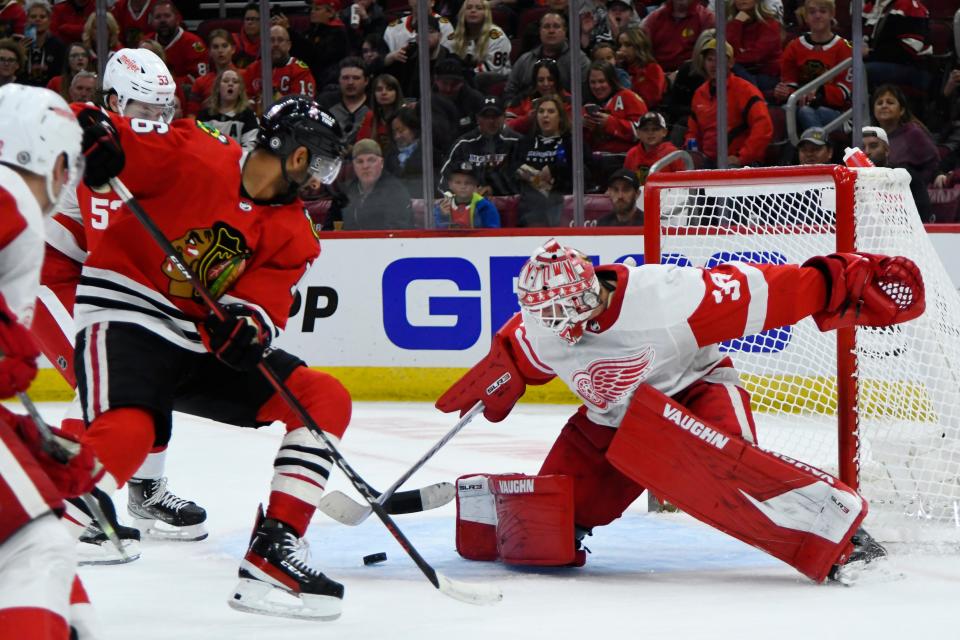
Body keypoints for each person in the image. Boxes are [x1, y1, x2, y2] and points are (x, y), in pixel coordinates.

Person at [438, 237, 922, 582]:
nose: (546, 324)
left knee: (730, 474)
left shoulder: (668, 297)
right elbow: (521, 352)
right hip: (610, 422)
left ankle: (842, 536)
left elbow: (770, 291)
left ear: (587, 294)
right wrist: (502, 374)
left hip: (694, 393)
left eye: (556, 313)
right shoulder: (542, 324)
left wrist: (841, 279)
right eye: (539, 314)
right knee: (549, 530)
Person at [69, 91, 353, 620]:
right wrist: (93, 135)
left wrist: (246, 331)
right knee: (131, 431)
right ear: (296, 155)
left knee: (322, 397)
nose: (318, 179)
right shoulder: (195, 149)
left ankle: (273, 552)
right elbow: (93, 121)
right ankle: (34, 530)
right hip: (127, 313)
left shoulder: (295, 232)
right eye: (317, 163)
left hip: (196, 340)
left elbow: (261, 309)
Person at [33, 48, 208, 556]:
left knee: (152, 371)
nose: (156, 122)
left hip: (94, 279)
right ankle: (70, 503)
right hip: (49, 279)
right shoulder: (89, 146)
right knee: (100, 384)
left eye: (163, 110)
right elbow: (114, 241)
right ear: (112, 101)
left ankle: (146, 493)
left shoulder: (150, 147)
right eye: (144, 110)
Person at [0, 82, 100, 640]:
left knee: (46, 532)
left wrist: (25, 439)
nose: (69, 181)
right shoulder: (11, 192)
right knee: (36, 549)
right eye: (69, 162)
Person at [684, 39, 773, 168]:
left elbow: (763, 128)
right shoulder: (700, 93)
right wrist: (692, 153)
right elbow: (693, 131)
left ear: (731, 63)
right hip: (708, 160)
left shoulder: (745, 90)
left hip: (739, 162)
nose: (714, 64)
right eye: (709, 59)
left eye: (719, 59)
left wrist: (741, 157)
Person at [510, 94, 590, 227]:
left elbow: (585, 171)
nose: (545, 115)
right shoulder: (524, 143)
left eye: (551, 111)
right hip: (530, 208)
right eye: (541, 111)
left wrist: (555, 170)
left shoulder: (572, 143)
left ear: (560, 117)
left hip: (563, 205)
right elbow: (512, 169)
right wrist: (529, 175)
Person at [775, 0, 852, 132]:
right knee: (782, 113)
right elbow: (790, 83)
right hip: (800, 105)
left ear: (832, 14)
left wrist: (819, 92)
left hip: (838, 113)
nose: (817, 16)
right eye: (812, 12)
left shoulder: (844, 48)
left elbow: (843, 93)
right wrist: (784, 92)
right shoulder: (793, 46)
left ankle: (819, 149)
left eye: (823, 11)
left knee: (806, 112)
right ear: (805, 16)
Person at [867, 84, 938, 220]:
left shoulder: (913, 133)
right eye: (879, 103)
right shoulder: (870, 138)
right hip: (879, 203)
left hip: (911, 202)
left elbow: (933, 164)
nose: (884, 106)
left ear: (901, 110)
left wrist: (917, 187)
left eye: (890, 102)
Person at [439, 94, 520, 197]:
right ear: (477, 118)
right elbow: (443, 180)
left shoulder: (517, 142)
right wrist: (457, 199)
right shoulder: (463, 144)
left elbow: (526, 181)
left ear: (504, 117)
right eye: (486, 116)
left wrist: (494, 189)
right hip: (468, 205)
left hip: (509, 206)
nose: (491, 121)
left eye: (495, 116)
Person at [503, 12, 590, 105]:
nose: (551, 31)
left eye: (556, 26)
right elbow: (509, 94)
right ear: (540, 31)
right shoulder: (525, 60)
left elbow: (586, 96)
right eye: (546, 27)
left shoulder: (579, 60)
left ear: (565, 31)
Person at [336, 138, 414, 230]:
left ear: (381, 163)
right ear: (353, 165)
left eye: (371, 160)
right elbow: (328, 229)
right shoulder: (346, 192)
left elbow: (398, 231)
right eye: (360, 161)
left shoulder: (395, 191)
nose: (365, 166)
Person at [583, 60, 647, 153]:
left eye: (601, 81)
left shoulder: (628, 97)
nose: (597, 86)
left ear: (611, 81)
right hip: (596, 159)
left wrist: (610, 123)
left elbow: (644, 132)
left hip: (624, 158)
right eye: (593, 82)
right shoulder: (587, 106)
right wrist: (584, 127)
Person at [245, 25, 316, 107]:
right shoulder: (252, 69)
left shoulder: (300, 71)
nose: (275, 44)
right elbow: (243, 100)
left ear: (289, 45)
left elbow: (303, 105)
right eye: (271, 40)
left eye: (280, 40)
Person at [442, 0, 512, 83]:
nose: (473, 10)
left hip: (495, 83)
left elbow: (490, 71)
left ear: (486, 13)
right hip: (461, 82)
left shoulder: (497, 37)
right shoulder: (456, 36)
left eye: (479, 8)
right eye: (468, 8)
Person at [288, 0, 349, 90]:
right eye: (312, 9)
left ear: (330, 13)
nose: (312, 11)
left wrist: (291, 32)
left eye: (317, 9)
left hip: (328, 83)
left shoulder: (338, 33)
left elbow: (317, 56)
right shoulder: (313, 30)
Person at [640, 0, 715, 74]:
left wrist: (678, 74)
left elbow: (707, 57)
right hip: (658, 74)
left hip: (691, 75)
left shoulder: (707, 18)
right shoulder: (653, 19)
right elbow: (643, 52)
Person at [147, 0, 207, 88]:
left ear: (177, 18)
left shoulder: (194, 43)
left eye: (167, 16)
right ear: (151, 21)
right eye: (158, 17)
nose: (162, 20)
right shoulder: (146, 42)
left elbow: (200, 79)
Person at [725, 0, 781, 92]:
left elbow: (756, 56)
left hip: (766, 75)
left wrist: (732, 59)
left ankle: (755, 98)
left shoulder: (770, 24)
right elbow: (728, 49)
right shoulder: (734, 23)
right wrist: (737, 23)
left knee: (730, 66)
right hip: (739, 71)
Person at [197, 69, 259, 152]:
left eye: (235, 82)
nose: (230, 84)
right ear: (218, 88)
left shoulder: (248, 115)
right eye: (225, 81)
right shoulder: (205, 115)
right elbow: (199, 144)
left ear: (240, 90)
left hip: (238, 162)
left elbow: (250, 146)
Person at [505, 58, 571, 135]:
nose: (546, 84)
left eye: (550, 79)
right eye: (541, 80)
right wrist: (526, 120)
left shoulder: (569, 101)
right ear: (535, 82)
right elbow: (506, 126)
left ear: (557, 80)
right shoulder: (523, 99)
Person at [187, 29, 239, 116]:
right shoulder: (200, 82)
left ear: (233, 49)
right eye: (215, 47)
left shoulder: (245, 76)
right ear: (210, 52)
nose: (220, 50)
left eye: (224, 46)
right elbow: (191, 115)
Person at [316, 56, 368, 144]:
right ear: (339, 80)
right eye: (345, 78)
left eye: (356, 78)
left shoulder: (375, 103)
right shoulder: (325, 101)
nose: (350, 82)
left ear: (366, 81)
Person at [434, 161, 501, 228]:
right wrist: (443, 216)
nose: (463, 186)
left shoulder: (485, 207)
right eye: (458, 182)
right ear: (450, 184)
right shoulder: (442, 207)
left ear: (475, 186)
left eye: (468, 183)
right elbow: (434, 233)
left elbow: (493, 234)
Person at [624, 111, 684, 183]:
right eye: (645, 129)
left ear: (664, 132)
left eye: (655, 129)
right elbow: (626, 182)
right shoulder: (632, 154)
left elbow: (682, 184)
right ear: (638, 133)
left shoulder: (673, 154)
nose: (650, 133)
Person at [356, 73, 407, 154]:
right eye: (379, 89)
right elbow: (361, 146)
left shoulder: (407, 115)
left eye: (389, 89)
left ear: (397, 93)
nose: (384, 93)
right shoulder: (370, 116)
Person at [615, 27, 665, 110]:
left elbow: (650, 100)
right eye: (620, 45)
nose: (622, 49)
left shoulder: (652, 69)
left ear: (639, 46)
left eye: (628, 45)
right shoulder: (618, 68)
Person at [383, 0, 453, 58]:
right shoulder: (393, 29)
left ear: (432, 2)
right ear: (409, 1)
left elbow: (448, 57)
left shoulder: (444, 26)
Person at [20, 0, 66, 88]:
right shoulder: (20, 45)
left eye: (42, 16)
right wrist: (20, 55)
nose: (38, 19)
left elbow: (62, 75)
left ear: (49, 20)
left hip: (50, 93)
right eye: (33, 16)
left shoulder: (58, 46)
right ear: (27, 20)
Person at [384, 105, 425, 198]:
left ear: (413, 128)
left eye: (401, 130)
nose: (397, 136)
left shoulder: (427, 151)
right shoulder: (390, 155)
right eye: (394, 132)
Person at [234, 2, 261, 68]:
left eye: (253, 19)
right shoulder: (233, 40)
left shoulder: (270, 41)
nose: (249, 22)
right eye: (247, 19)